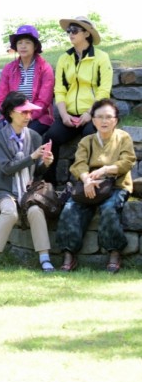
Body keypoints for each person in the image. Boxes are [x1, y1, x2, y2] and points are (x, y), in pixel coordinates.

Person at [55, 99, 136, 274]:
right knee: (70, 208)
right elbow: (78, 164)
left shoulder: (123, 137)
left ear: (115, 120)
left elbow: (127, 161)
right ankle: (68, 254)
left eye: (108, 117)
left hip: (116, 186)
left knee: (109, 208)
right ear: (93, 120)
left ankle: (114, 252)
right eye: (99, 117)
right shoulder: (87, 141)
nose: (104, 121)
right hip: (89, 185)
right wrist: (86, 180)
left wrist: (105, 170)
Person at [0, 92, 55, 273]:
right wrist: (32, 157)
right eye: (23, 112)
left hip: (28, 191)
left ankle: (45, 258)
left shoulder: (35, 136)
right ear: (10, 113)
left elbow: (36, 171)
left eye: (30, 112)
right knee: (9, 212)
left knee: (36, 211)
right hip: (4, 190)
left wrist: (45, 163)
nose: (28, 116)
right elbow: (6, 168)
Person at [42, 16, 113, 184]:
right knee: (50, 137)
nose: (70, 33)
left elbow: (104, 90)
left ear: (87, 33)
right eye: (69, 30)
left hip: (94, 113)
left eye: (74, 30)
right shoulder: (64, 58)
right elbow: (59, 89)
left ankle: (87, 184)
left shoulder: (101, 57)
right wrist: (64, 115)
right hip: (69, 115)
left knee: (90, 136)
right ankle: (48, 185)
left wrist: (89, 113)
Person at [0, 25, 54, 134]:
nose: (23, 46)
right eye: (20, 43)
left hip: (37, 117)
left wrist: (25, 116)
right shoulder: (8, 69)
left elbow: (43, 101)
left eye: (27, 42)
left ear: (35, 46)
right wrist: (13, 115)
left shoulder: (45, 68)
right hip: (12, 115)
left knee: (26, 133)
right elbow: (1, 99)